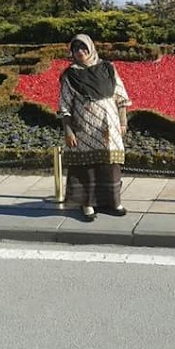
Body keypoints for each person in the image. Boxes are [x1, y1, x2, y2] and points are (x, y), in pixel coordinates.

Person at [58, 34, 131, 220]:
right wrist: (68, 130)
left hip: (109, 126)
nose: (80, 52)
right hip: (84, 128)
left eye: (83, 48)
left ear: (90, 48)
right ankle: (87, 204)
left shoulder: (107, 68)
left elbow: (121, 96)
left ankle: (113, 202)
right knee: (86, 166)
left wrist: (123, 121)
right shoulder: (70, 75)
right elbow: (65, 105)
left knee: (110, 163)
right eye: (76, 49)